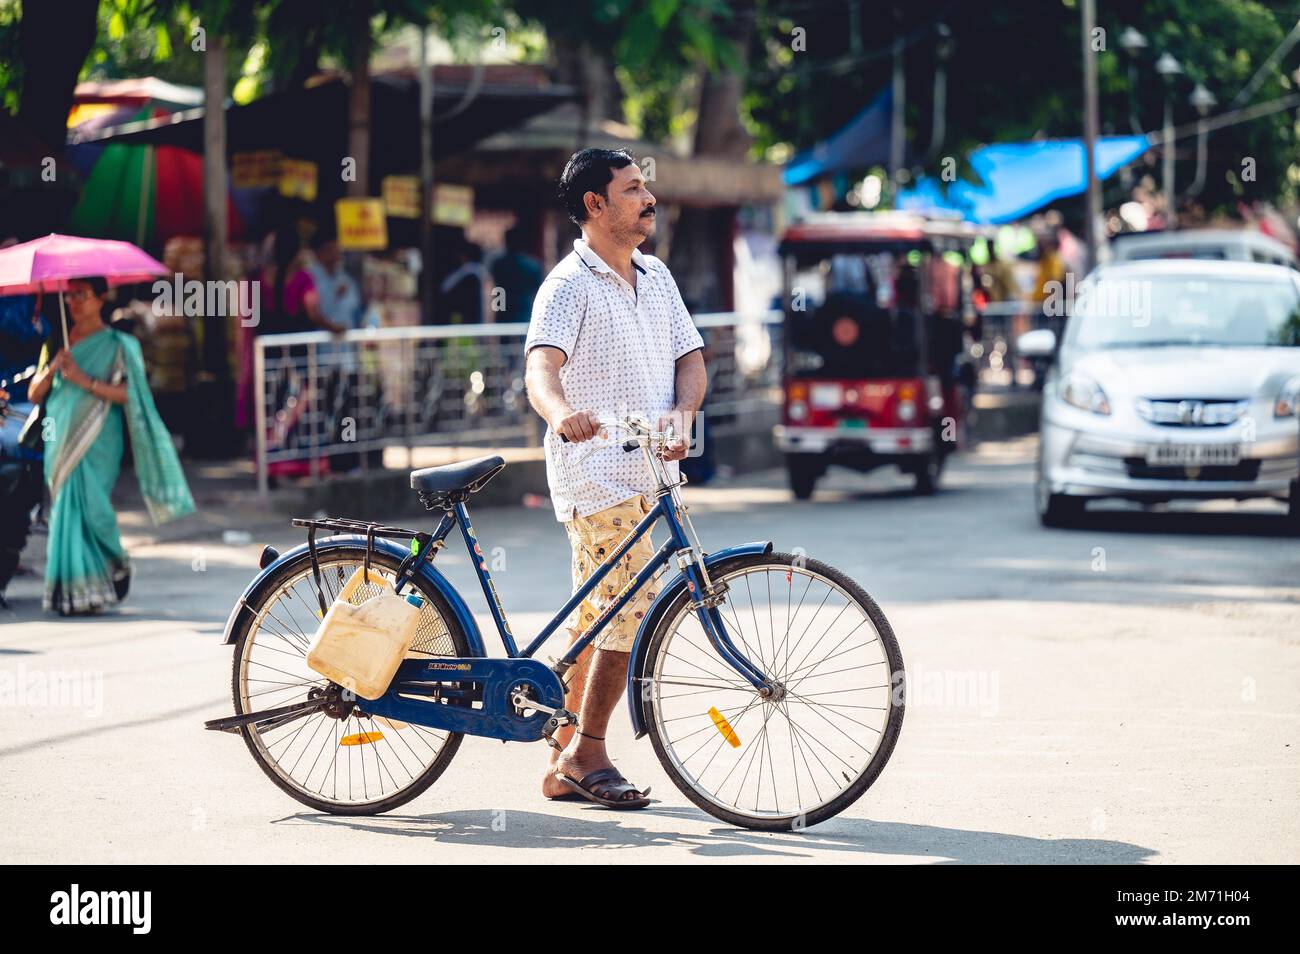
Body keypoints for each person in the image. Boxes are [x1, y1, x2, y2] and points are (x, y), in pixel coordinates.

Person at [524, 148, 706, 808]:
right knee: (626, 615)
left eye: (645, 187)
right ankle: (590, 754)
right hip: (598, 477)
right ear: (595, 206)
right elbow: (540, 369)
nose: (647, 199)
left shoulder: (656, 276)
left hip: (653, 477)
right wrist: (561, 412)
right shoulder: (568, 286)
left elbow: (691, 358)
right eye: (632, 190)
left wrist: (684, 413)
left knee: (596, 618)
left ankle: (560, 758)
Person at [26, 277, 194, 615]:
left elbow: (132, 394)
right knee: (65, 509)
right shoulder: (57, 339)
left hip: (100, 436)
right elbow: (34, 394)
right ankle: (73, 594)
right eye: (70, 295)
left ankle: (116, 559)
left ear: (102, 298)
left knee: (94, 508)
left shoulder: (119, 343)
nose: (74, 301)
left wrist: (84, 380)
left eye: (82, 294)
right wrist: (54, 370)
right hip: (58, 435)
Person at [491, 225, 543, 322]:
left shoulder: (498, 264)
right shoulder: (533, 265)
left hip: (506, 311)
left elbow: (497, 289)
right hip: (524, 312)